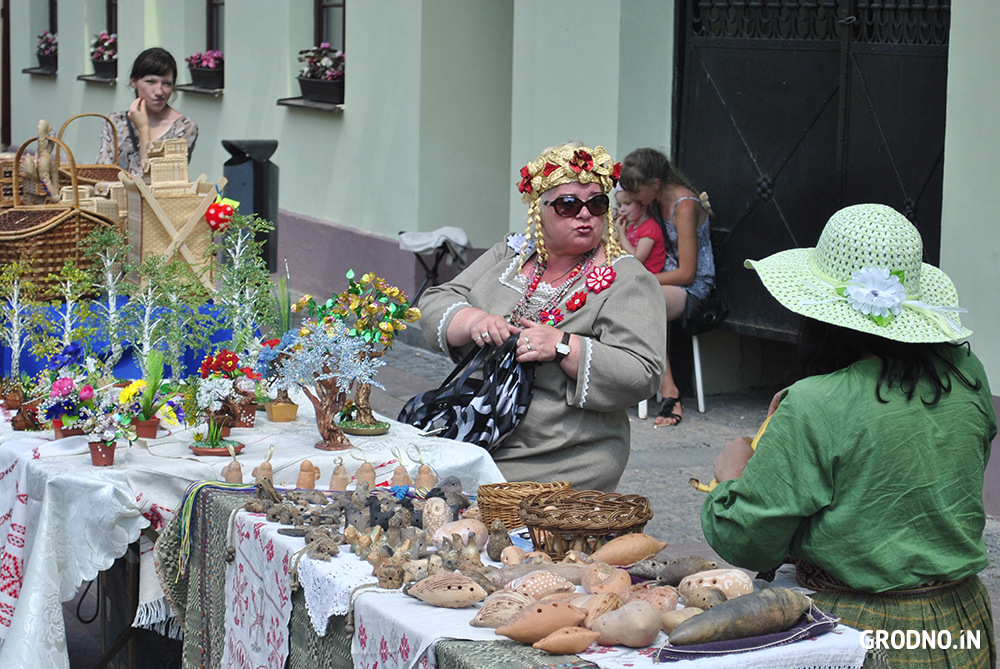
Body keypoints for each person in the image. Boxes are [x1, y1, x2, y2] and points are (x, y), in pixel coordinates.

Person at [702, 203, 995, 669]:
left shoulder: (816, 402)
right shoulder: (968, 377)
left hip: (857, 631)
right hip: (960, 619)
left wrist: (732, 475)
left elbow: (749, 541)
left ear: (819, 315)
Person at [418, 142, 666, 492]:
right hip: (478, 427)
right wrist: (475, 321)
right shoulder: (511, 253)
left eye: (597, 204)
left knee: (457, 510)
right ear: (540, 209)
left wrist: (564, 346)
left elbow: (644, 372)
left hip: (564, 451)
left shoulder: (628, 278)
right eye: (568, 205)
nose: (585, 215)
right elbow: (437, 299)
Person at [619, 148, 715, 427]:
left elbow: (687, 273)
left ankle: (670, 391)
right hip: (660, 278)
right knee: (625, 299)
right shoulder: (654, 201)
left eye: (637, 193)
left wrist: (642, 279)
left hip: (694, 286)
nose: (635, 200)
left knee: (643, 302)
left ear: (655, 185)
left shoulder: (684, 207)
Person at [96, 47, 198, 175]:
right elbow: (101, 174)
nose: (159, 92)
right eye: (151, 82)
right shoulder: (114, 122)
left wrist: (143, 129)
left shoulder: (184, 127)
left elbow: (157, 179)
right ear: (133, 81)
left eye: (166, 84)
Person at [612, 186, 667, 274]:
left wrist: (622, 235)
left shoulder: (650, 228)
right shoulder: (631, 227)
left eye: (627, 203)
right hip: (634, 272)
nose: (621, 209)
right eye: (619, 205)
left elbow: (637, 258)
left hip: (647, 276)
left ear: (643, 204)